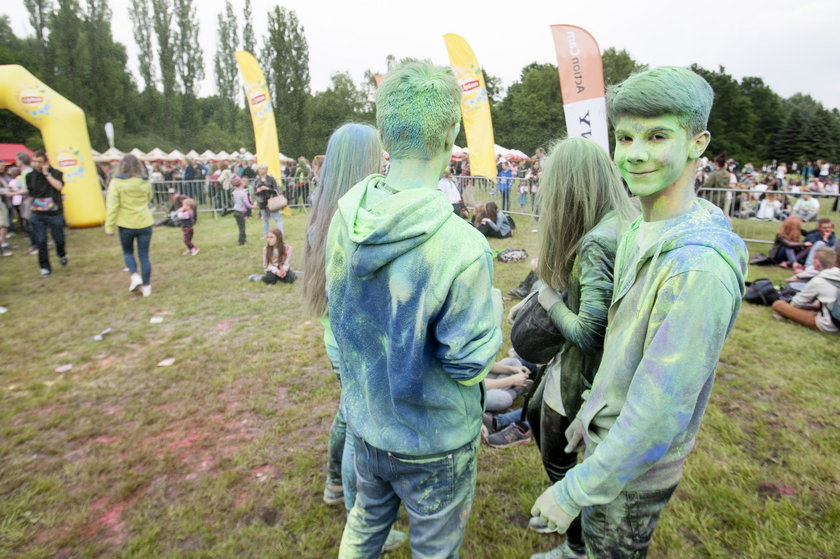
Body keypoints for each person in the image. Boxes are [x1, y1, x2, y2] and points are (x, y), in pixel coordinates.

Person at [530, 66, 747, 559]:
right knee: (594, 540)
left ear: (698, 142)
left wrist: (573, 490)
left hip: (635, 470)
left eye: (657, 136)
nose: (635, 153)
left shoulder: (699, 268)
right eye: (625, 137)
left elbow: (659, 413)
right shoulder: (635, 229)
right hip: (606, 444)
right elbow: (617, 345)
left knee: (614, 548)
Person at [325, 60, 502, 558]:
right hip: (434, 443)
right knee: (433, 549)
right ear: (451, 134)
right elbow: (467, 363)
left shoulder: (344, 217)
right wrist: (495, 315)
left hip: (367, 423)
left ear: (385, 133)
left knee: (363, 526)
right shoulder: (462, 246)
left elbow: (337, 324)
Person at [516, 138, 637, 559]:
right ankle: (568, 514)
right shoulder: (625, 218)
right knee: (532, 412)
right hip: (602, 367)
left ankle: (574, 541)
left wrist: (547, 299)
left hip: (585, 372)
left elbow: (589, 331)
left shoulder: (597, 241)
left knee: (555, 447)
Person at [105, 154, 154, 297]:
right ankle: (147, 287)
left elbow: (112, 205)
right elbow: (149, 197)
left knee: (128, 252)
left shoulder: (116, 183)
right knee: (144, 255)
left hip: (126, 224)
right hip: (145, 222)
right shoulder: (145, 182)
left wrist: (109, 226)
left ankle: (134, 275)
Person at [771, 242, 839, 333]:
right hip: (833, 316)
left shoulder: (819, 280)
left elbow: (796, 303)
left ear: (817, 262)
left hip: (829, 325)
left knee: (778, 304)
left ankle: (786, 316)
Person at [26, 150, 66, 276]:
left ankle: (62, 254)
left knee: (59, 239)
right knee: (41, 240)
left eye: (39, 162)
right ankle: (45, 267)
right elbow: (31, 194)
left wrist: (46, 174)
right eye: (35, 161)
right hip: (38, 214)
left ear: (46, 162)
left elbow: (59, 187)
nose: (37, 164)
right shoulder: (30, 176)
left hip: (54, 213)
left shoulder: (56, 173)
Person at [252, 164, 283, 237]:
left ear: (266, 170)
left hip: (272, 201)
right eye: (260, 169)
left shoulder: (271, 179)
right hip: (262, 202)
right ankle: (265, 235)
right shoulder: (257, 180)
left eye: (263, 169)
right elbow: (254, 192)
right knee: (265, 220)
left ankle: (281, 234)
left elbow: (276, 190)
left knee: (277, 219)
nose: (261, 170)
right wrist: (258, 190)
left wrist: (267, 188)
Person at [230, 176, 254, 245]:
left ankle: (243, 240)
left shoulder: (234, 192)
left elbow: (234, 201)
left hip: (236, 210)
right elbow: (246, 203)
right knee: (242, 228)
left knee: (241, 227)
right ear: (241, 183)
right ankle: (242, 242)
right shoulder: (243, 193)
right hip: (241, 212)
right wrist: (253, 207)